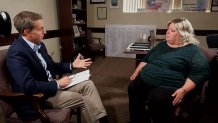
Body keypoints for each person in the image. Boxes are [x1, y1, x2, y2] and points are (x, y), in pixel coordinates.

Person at [7, 11, 108, 123]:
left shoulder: (39, 45)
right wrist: (57, 84)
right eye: (41, 29)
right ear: (27, 32)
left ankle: (103, 120)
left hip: (52, 85)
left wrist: (72, 65)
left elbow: (52, 66)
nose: (45, 31)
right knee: (87, 98)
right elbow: (27, 85)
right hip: (40, 97)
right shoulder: (16, 53)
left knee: (88, 85)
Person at [128, 18, 210, 123]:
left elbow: (201, 72)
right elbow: (147, 59)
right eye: (168, 29)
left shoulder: (192, 50)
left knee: (156, 98)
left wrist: (184, 90)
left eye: (172, 30)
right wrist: (136, 72)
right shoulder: (162, 45)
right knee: (133, 88)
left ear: (183, 33)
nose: (167, 32)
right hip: (146, 78)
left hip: (170, 85)